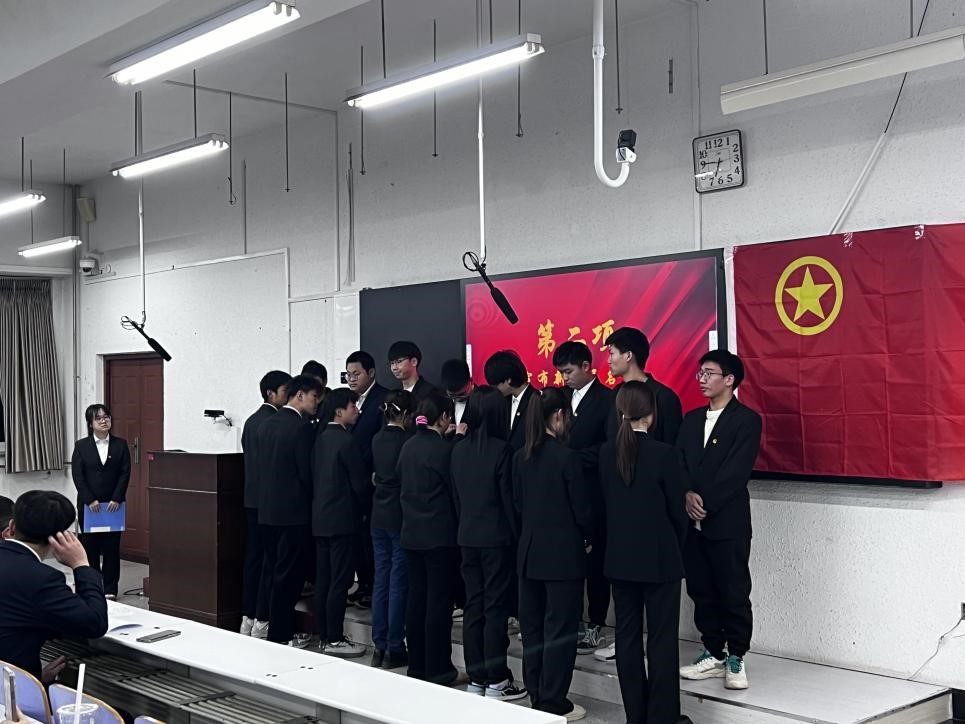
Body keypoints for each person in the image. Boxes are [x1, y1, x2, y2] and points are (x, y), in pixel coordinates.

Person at [601, 381, 688, 724]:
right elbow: (678, 513)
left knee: (627, 638)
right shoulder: (665, 454)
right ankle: (662, 717)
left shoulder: (606, 453)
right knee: (662, 641)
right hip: (660, 559)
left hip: (619, 559)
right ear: (651, 414)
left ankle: (635, 715)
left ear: (620, 412)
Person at [677, 350, 761, 691]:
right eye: (700, 373)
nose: (702, 379)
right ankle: (712, 651)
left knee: (733, 589)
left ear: (729, 379)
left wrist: (705, 503)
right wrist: (686, 494)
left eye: (709, 373)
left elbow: (735, 473)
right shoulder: (691, 419)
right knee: (701, 589)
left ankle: (736, 655)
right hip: (692, 522)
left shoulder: (746, 420)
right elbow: (679, 462)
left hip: (727, 522)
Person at [513, 387, 591, 722]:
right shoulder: (567, 457)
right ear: (559, 416)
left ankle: (536, 692)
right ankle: (554, 700)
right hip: (563, 556)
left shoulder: (520, 456)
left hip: (529, 553)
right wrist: (589, 538)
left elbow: (517, 505)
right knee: (560, 630)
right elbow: (582, 510)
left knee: (532, 629)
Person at [450, 386, 526, 700]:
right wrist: (517, 536)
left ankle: (477, 677)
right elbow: (509, 501)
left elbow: (456, 499)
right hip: (497, 540)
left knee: (474, 607)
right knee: (495, 608)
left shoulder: (458, 449)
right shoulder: (502, 450)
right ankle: (496, 679)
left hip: (467, 536)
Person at [0, 491, 108, 682]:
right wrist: (81, 565)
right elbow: (94, 624)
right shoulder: (41, 579)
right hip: (11, 691)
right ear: (60, 537)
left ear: (12, 526)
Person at [553, 341, 613, 657]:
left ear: (587, 367)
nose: (565, 378)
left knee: (596, 563)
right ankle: (570, 620)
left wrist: (573, 458)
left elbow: (609, 446)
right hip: (561, 493)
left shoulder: (608, 400)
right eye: (561, 373)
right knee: (567, 560)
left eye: (569, 371)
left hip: (593, 492)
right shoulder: (559, 399)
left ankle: (596, 623)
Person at [397, 391, 461, 685]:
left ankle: (417, 665)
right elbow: (454, 492)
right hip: (439, 536)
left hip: (411, 534)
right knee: (438, 603)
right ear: (445, 417)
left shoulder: (408, 445)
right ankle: (439, 669)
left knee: (416, 599)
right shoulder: (444, 451)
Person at [256, 374, 322, 646]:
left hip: (267, 510)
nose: (317, 402)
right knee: (289, 577)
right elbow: (306, 473)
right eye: (314, 397)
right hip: (293, 514)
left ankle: (272, 628)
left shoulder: (266, 425)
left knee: (273, 572)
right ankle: (281, 634)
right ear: (300, 395)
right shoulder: (301, 428)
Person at [311, 388, 368, 657]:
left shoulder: (321, 439)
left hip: (320, 518)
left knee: (324, 579)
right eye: (352, 407)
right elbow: (360, 484)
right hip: (343, 520)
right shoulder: (347, 441)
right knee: (340, 580)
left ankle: (324, 635)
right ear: (338, 411)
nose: (357, 411)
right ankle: (334, 638)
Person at [240, 370, 292, 638]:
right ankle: (262, 619)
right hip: (269, 502)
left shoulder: (251, 421)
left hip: (251, 499)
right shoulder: (273, 423)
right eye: (285, 391)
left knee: (254, 560)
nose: (289, 396)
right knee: (270, 562)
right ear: (271, 393)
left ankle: (248, 616)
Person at [369, 390, 415, 669]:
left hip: (378, 514)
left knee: (381, 579)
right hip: (399, 515)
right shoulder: (407, 441)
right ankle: (395, 645)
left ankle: (379, 645)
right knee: (398, 582)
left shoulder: (377, 439)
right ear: (407, 415)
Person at [70, 404, 131, 600]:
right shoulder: (81, 446)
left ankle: (110, 588)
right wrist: (90, 499)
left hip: (114, 505)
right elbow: (78, 475)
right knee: (91, 549)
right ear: (91, 423)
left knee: (112, 548)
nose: (104, 421)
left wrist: (117, 497)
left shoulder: (121, 444)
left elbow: (125, 473)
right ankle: (93, 587)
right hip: (90, 507)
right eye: (99, 418)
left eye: (107, 417)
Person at [346, 350, 389, 610]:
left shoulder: (383, 398)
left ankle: (373, 586)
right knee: (357, 537)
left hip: (372, 480)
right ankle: (362, 583)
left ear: (371, 373)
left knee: (371, 538)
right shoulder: (347, 400)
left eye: (356, 374)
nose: (351, 379)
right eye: (348, 374)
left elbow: (382, 440)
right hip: (351, 480)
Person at [604, 328, 683, 445]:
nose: (608, 361)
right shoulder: (615, 394)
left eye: (611, 354)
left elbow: (672, 447)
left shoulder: (664, 397)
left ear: (628, 355)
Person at [484, 350, 535, 452]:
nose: (494, 390)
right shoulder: (501, 401)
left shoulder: (537, 400)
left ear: (508, 380)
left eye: (495, 386)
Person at [440, 359, 474, 427]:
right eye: (452, 395)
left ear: (471, 381)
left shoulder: (483, 401)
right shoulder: (441, 400)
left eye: (461, 394)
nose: (457, 399)